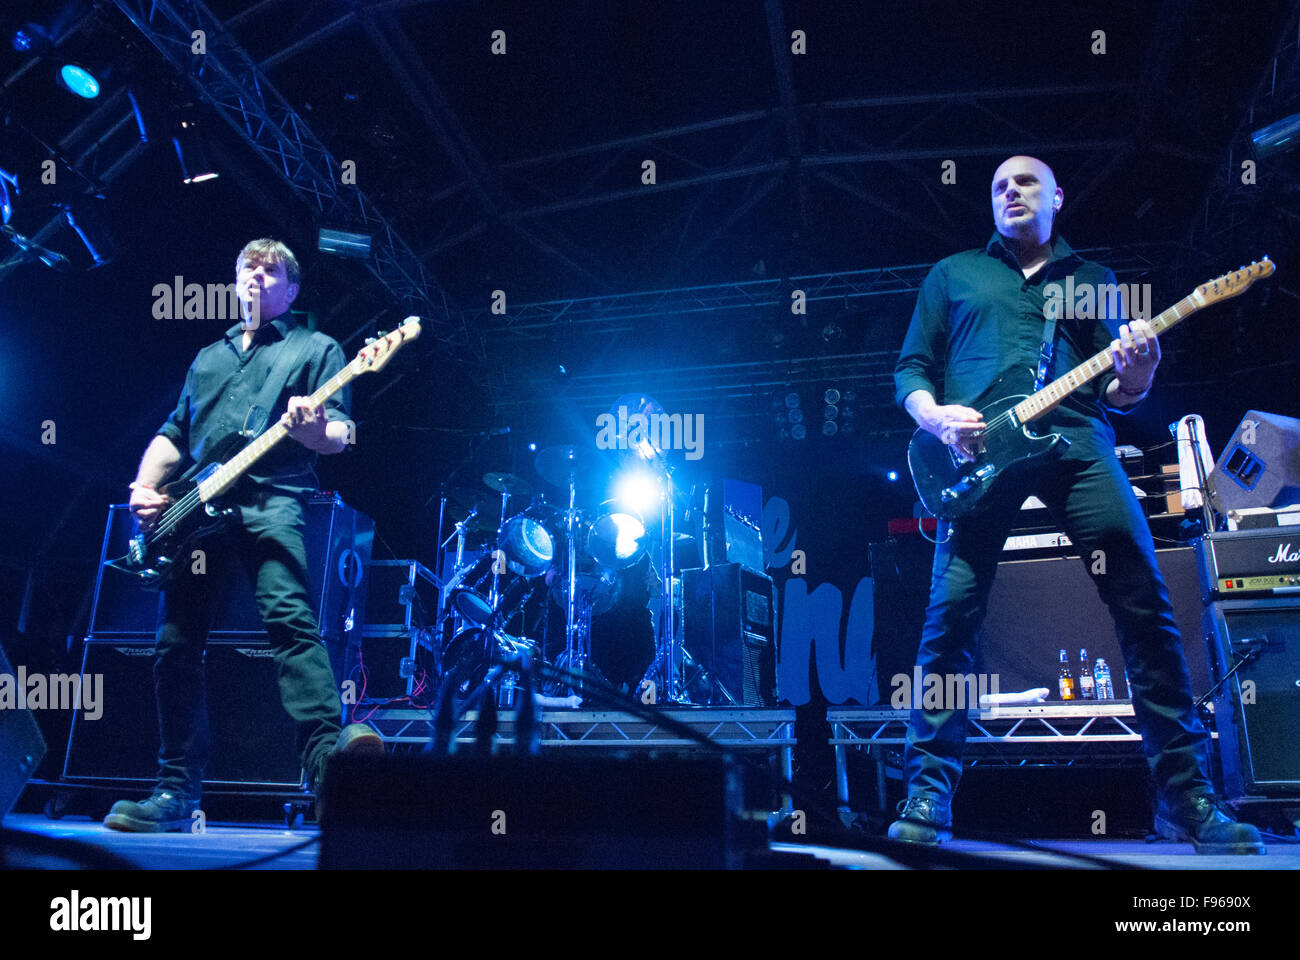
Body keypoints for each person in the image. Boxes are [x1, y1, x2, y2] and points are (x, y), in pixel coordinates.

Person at [889, 156, 1263, 854]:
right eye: (999, 186)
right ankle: (928, 790)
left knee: (1144, 605)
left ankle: (1187, 797)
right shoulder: (956, 274)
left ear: (1057, 197)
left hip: (1078, 444)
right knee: (950, 621)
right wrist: (937, 418)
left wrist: (1141, 371)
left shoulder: (1092, 282)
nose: (1011, 192)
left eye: (1025, 182)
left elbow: (1123, 391)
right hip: (972, 459)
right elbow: (911, 368)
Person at [105, 238, 382, 832]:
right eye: (246, 268)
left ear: (291, 289)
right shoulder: (208, 357)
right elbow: (174, 434)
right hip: (195, 509)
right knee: (176, 644)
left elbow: (340, 435)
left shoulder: (318, 349)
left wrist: (310, 431)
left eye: (271, 269)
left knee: (291, 623)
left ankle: (331, 772)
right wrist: (142, 489)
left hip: (271, 500)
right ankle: (174, 793)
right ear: (235, 283)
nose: (256, 275)